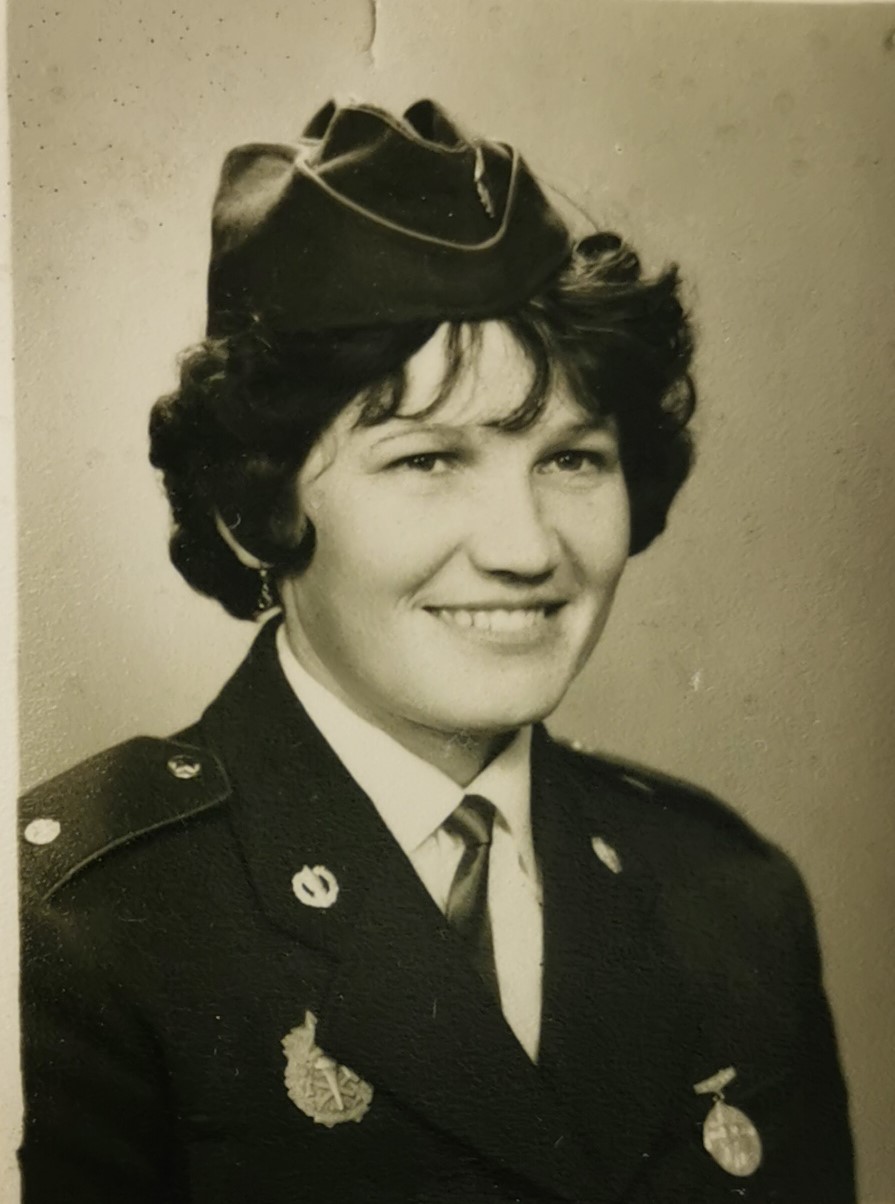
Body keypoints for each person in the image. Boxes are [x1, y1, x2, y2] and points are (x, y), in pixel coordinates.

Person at [18, 99, 855, 1203]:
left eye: (572, 459)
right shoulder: (70, 924)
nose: (526, 550)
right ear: (252, 510)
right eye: (425, 461)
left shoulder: (730, 902)